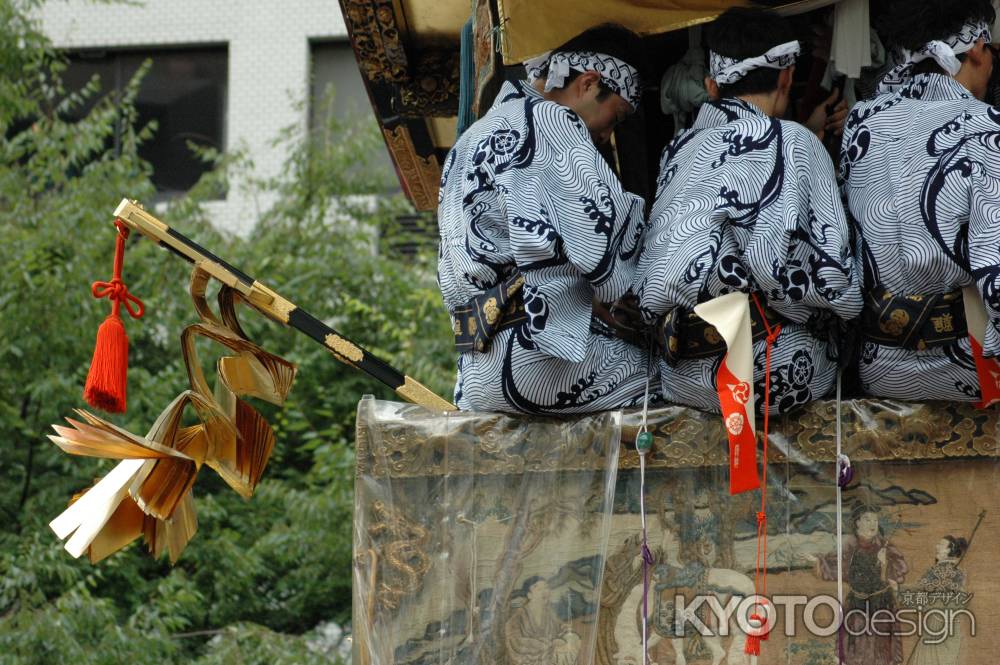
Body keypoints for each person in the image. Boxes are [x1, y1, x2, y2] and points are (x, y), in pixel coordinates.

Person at [636, 7, 861, 415]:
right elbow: (833, 279)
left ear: (712, 86)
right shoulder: (795, 142)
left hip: (683, 373)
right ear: (787, 77)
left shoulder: (679, 149)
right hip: (769, 369)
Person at [437, 24, 656, 414]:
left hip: (476, 369)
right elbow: (600, 248)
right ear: (589, 83)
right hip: (540, 359)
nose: (608, 135)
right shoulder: (551, 121)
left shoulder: (471, 138)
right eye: (616, 117)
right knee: (684, 380)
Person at [840, 0, 999, 401]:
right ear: (978, 47)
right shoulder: (987, 126)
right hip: (974, 364)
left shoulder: (863, 121)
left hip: (880, 365)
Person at [811, 505, 908, 665]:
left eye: (875, 520)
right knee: (855, 646)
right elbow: (835, 564)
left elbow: (897, 572)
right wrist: (818, 561)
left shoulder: (886, 546)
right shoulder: (850, 545)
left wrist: (885, 564)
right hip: (857, 603)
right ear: (857, 523)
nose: (873, 524)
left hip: (882, 604)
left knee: (881, 647)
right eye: (867, 519)